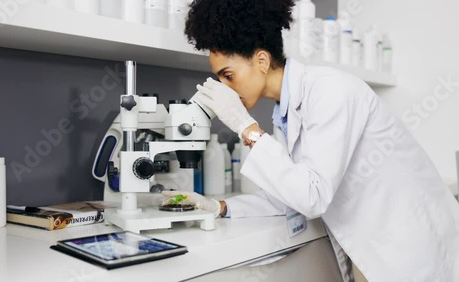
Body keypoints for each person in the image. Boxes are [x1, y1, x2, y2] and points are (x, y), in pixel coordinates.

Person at [162, 0, 459, 281]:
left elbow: (312, 197)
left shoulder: (330, 91)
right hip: (381, 245)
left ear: (262, 60)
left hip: (411, 248)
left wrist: (246, 127)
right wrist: (220, 207)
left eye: (228, 75)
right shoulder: (286, 112)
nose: (226, 88)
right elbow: (290, 194)